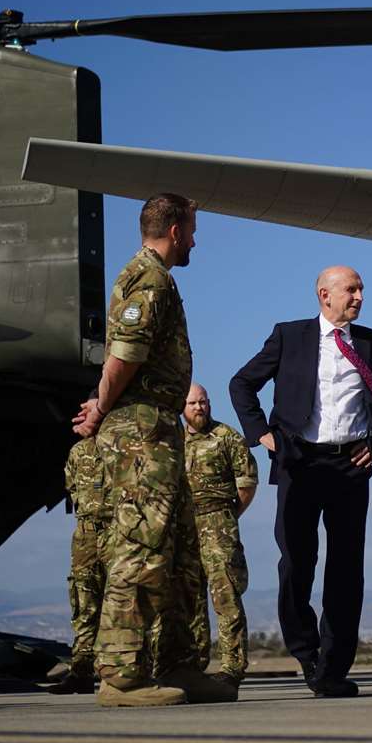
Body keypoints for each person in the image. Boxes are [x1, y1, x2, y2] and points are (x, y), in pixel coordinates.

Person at [229, 264, 372, 698]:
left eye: (361, 290)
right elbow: (242, 383)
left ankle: (332, 669)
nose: (359, 297)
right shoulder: (289, 336)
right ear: (324, 294)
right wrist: (262, 434)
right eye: (351, 290)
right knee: (296, 563)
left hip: (351, 465)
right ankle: (306, 652)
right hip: (299, 463)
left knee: (346, 570)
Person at [70, 192, 230, 708]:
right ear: (177, 229)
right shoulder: (149, 278)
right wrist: (98, 407)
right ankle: (120, 676)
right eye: (193, 230)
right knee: (140, 547)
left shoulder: (158, 278)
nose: (197, 241)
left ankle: (179, 663)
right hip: (140, 430)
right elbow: (123, 356)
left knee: (180, 551)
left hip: (161, 430)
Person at [182, 383, 258, 685]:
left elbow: (247, 485)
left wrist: (227, 517)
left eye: (203, 402)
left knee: (226, 595)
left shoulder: (227, 438)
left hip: (218, 523)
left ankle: (233, 665)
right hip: (184, 528)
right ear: (182, 407)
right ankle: (193, 662)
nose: (199, 407)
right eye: (192, 403)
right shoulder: (172, 441)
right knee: (189, 599)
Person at [48, 434, 111, 694]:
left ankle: (122, 671)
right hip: (85, 533)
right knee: (84, 600)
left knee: (122, 599)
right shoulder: (77, 451)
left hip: (115, 530)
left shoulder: (119, 445)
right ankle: (82, 671)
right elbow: (72, 487)